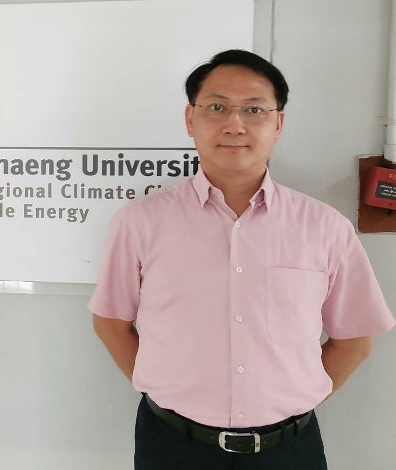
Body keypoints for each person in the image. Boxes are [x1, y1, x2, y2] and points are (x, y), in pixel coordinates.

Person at [88, 50, 395, 470]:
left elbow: (354, 340)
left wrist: (291, 401)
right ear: (190, 119)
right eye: (217, 107)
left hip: (289, 450)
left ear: (278, 124)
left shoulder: (325, 227)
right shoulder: (139, 223)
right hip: (172, 446)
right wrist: (166, 392)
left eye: (254, 109)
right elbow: (111, 323)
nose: (235, 124)